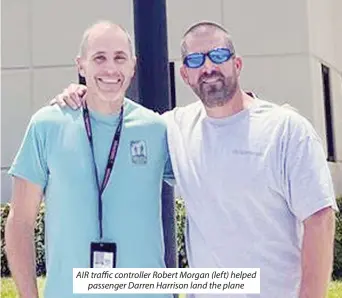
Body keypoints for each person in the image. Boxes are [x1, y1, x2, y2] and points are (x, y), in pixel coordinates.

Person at [52, 21, 338, 298]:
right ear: (185, 75)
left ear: (236, 64)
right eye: (196, 60)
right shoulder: (174, 129)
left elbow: (320, 219)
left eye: (219, 55)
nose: (208, 67)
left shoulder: (286, 129)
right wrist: (84, 94)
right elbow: (118, 125)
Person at [5, 21, 173, 298]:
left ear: (133, 65)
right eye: (99, 58)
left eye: (119, 58)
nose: (110, 69)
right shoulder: (47, 125)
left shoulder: (157, 129)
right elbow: (20, 221)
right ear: (81, 66)